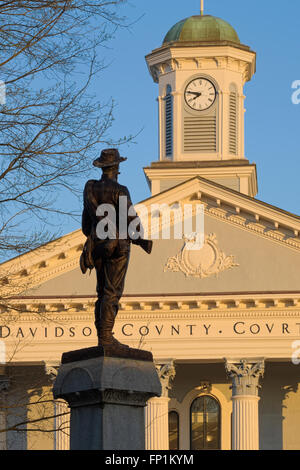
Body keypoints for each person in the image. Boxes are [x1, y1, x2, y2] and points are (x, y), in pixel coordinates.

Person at [81, 148, 152, 349]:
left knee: (102, 292)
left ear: (102, 167)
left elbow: (86, 226)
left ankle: (102, 336)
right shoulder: (120, 190)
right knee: (113, 292)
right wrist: (140, 238)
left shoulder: (90, 189)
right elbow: (132, 222)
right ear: (117, 166)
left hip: (98, 245)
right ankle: (106, 337)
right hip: (118, 246)